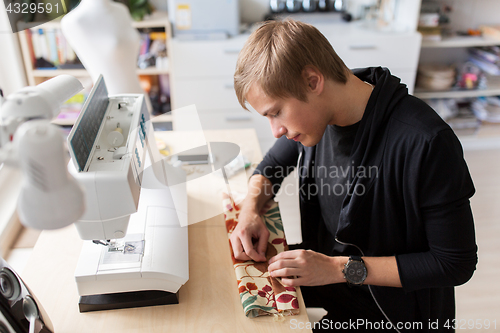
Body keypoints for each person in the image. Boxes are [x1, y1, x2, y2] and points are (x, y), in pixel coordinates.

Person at [230, 19, 477, 332]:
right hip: (335, 293)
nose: (276, 130)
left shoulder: (426, 142)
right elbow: (271, 167)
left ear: (312, 81)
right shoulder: (325, 112)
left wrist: (338, 269)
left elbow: (454, 264)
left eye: (276, 111)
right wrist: (250, 212)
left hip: (393, 315)